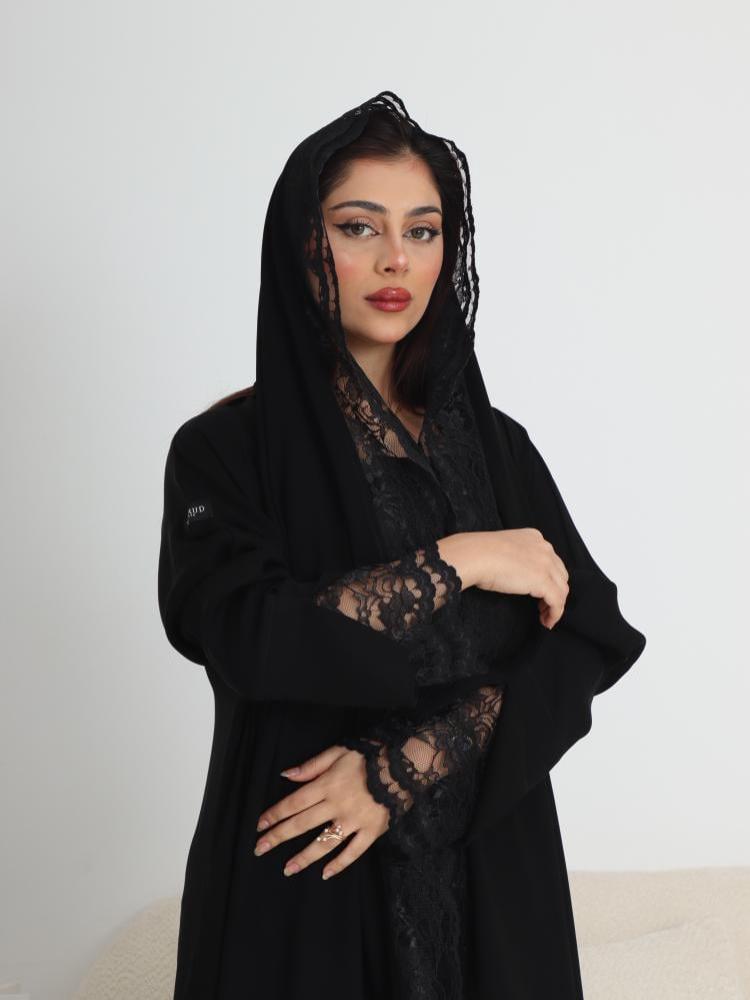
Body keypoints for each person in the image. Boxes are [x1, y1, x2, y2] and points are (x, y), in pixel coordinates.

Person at [158, 90, 647, 1000]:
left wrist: (402, 768)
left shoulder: (497, 448)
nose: (395, 260)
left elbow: (591, 634)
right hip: (305, 876)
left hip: (495, 880)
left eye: (423, 231)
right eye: (359, 227)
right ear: (303, 246)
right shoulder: (223, 452)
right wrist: (464, 559)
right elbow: (249, 632)